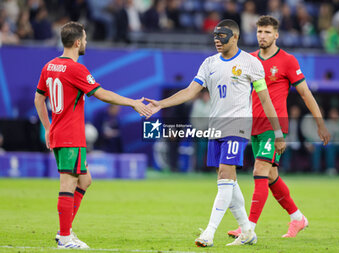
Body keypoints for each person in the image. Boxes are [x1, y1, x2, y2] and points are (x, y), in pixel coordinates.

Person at [145, 19, 286, 247]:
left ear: (235, 37)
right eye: (215, 37)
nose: (217, 41)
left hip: (238, 126)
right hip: (215, 128)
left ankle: (209, 233)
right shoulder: (209, 63)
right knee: (228, 181)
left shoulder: (250, 63)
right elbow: (190, 91)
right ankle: (248, 231)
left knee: (224, 174)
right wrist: (161, 104)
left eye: (222, 37)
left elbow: (265, 99)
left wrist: (278, 132)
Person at [34, 21, 151, 249]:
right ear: (77, 42)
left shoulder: (49, 66)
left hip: (60, 132)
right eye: (85, 39)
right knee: (68, 183)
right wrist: (132, 103)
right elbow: (102, 93)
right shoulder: (76, 69)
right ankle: (65, 237)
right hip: (70, 135)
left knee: (85, 181)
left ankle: (65, 231)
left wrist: (48, 127)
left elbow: (39, 98)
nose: (86, 42)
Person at [228, 15, 330, 239]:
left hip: (275, 128)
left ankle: (247, 228)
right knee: (271, 175)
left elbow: (305, 93)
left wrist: (320, 123)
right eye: (259, 32)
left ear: (276, 35)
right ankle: (297, 218)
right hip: (254, 125)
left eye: (266, 32)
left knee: (259, 171)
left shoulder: (287, 60)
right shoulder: (250, 59)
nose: (262, 36)